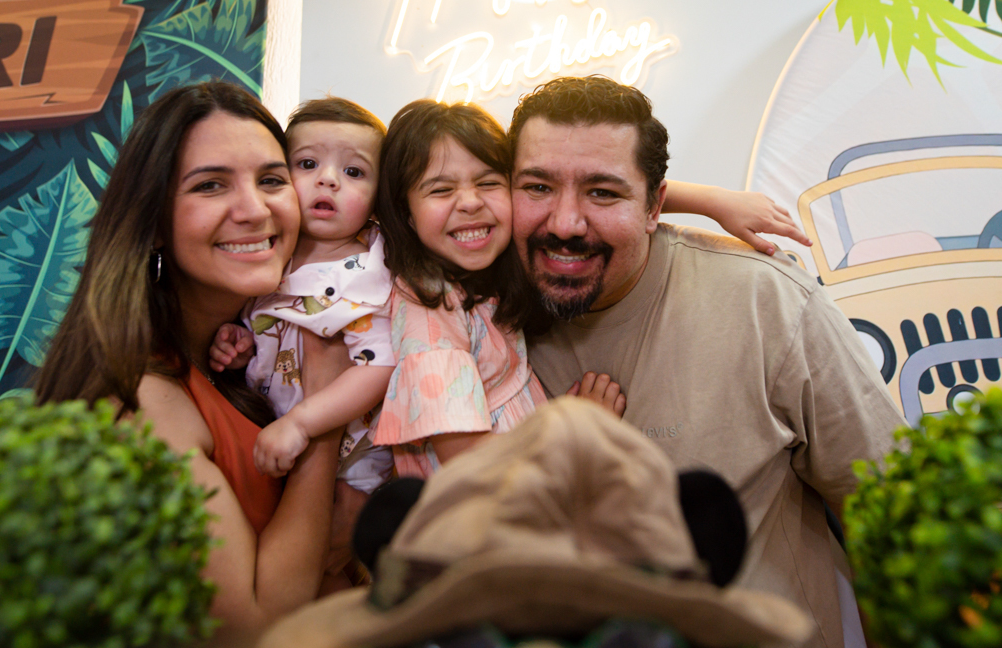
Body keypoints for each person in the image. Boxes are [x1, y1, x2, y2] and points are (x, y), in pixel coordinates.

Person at [508, 75, 906, 648]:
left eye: (603, 193)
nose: (565, 223)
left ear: (654, 206)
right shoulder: (477, 314)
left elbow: (888, 513)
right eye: (538, 187)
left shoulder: (765, 301)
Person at [34, 80, 347, 647]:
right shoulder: (140, 400)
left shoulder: (241, 356)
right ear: (154, 222)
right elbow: (253, 629)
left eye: (271, 180)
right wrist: (324, 418)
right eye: (210, 185)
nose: (255, 210)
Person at [371, 99, 812, 478]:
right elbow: (472, 464)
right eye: (440, 190)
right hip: (498, 519)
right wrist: (580, 431)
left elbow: (616, 187)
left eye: (488, 183)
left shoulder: (494, 265)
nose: (470, 202)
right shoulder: (430, 312)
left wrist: (714, 202)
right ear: (404, 211)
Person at [208, 98, 396, 499]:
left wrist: (301, 423)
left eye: (353, 171)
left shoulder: (367, 273)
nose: (328, 180)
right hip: (275, 442)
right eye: (308, 164)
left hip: (351, 464)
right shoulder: (269, 255)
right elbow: (275, 332)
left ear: (379, 197)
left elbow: (378, 366)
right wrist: (244, 346)